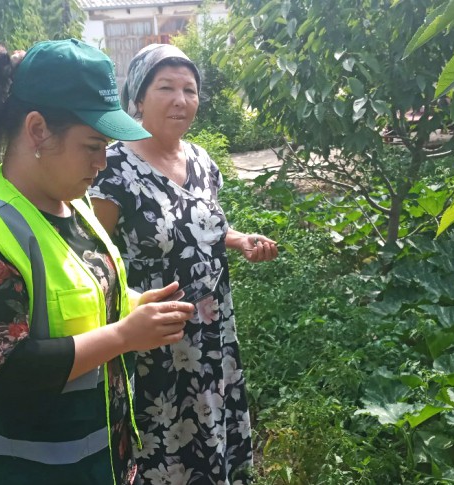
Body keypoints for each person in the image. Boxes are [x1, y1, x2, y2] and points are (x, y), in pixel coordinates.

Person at [0, 39, 195, 485]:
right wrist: (125, 336)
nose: (102, 162)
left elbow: (77, 297)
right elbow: (11, 371)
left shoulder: (76, 205)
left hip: (102, 460)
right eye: (92, 145)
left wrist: (130, 303)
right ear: (37, 130)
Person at [89, 44, 279, 484]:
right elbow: (92, 257)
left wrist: (240, 241)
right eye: (166, 87)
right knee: (162, 443)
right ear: (137, 98)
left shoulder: (201, 161)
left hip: (212, 332)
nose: (181, 100)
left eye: (190, 90)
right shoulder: (113, 168)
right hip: (154, 340)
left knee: (210, 432)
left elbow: (204, 226)